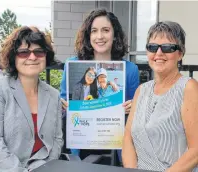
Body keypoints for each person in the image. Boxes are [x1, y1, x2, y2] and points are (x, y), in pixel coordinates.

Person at [0, 26, 63, 172]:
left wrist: (47, 166)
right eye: (24, 53)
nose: (32, 57)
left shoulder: (54, 95)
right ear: (14, 57)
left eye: (39, 51)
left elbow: (57, 140)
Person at [60, 9, 139, 162]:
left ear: (115, 34)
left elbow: (136, 115)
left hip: (115, 146)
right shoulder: (72, 64)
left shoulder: (130, 70)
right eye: (94, 31)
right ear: (88, 35)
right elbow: (62, 103)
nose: (100, 36)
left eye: (106, 30)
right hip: (81, 142)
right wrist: (64, 106)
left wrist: (132, 108)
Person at [122, 21, 198, 171]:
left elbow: (195, 150)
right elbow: (127, 138)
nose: (158, 53)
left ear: (180, 53)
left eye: (167, 47)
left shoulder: (188, 88)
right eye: (152, 47)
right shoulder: (141, 90)